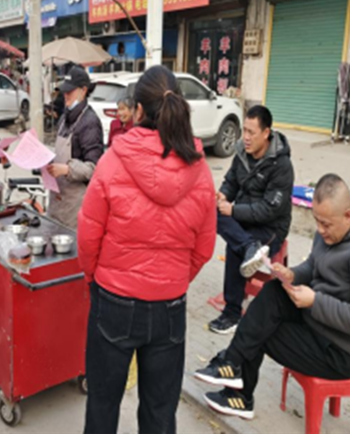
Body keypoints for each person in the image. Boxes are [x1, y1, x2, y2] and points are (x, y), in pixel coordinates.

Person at [77, 65, 217, 434]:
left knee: (102, 404)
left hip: (114, 301)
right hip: (170, 306)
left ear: (138, 110)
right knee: (160, 412)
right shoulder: (199, 169)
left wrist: (94, 278)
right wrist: (173, 279)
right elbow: (204, 247)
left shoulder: (113, 161)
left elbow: (88, 237)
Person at [195, 173, 350, 421]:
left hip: (338, 349)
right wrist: (292, 274)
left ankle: (240, 393)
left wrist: (315, 301)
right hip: (317, 320)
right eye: (317, 222)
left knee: (260, 330)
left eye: (326, 225)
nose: (321, 230)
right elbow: (314, 265)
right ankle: (231, 366)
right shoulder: (328, 232)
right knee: (271, 293)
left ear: (348, 215)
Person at [209, 106, 295, 334]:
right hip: (245, 220)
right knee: (212, 210)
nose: (245, 137)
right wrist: (223, 195)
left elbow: (270, 209)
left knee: (234, 247)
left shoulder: (281, 165)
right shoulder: (242, 153)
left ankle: (232, 314)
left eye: (251, 132)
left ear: (266, 133)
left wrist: (233, 210)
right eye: (244, 130)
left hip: (271, 227)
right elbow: (231, 181)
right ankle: (249, 246)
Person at [46, 66, 104, 229]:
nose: (65, 95)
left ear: (83, 91)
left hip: (75, 207)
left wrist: (67, 169)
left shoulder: (90, 122)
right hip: (57, 201)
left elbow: (95, 169)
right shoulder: (64, 118)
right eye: (64, 91)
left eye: (70, 91)